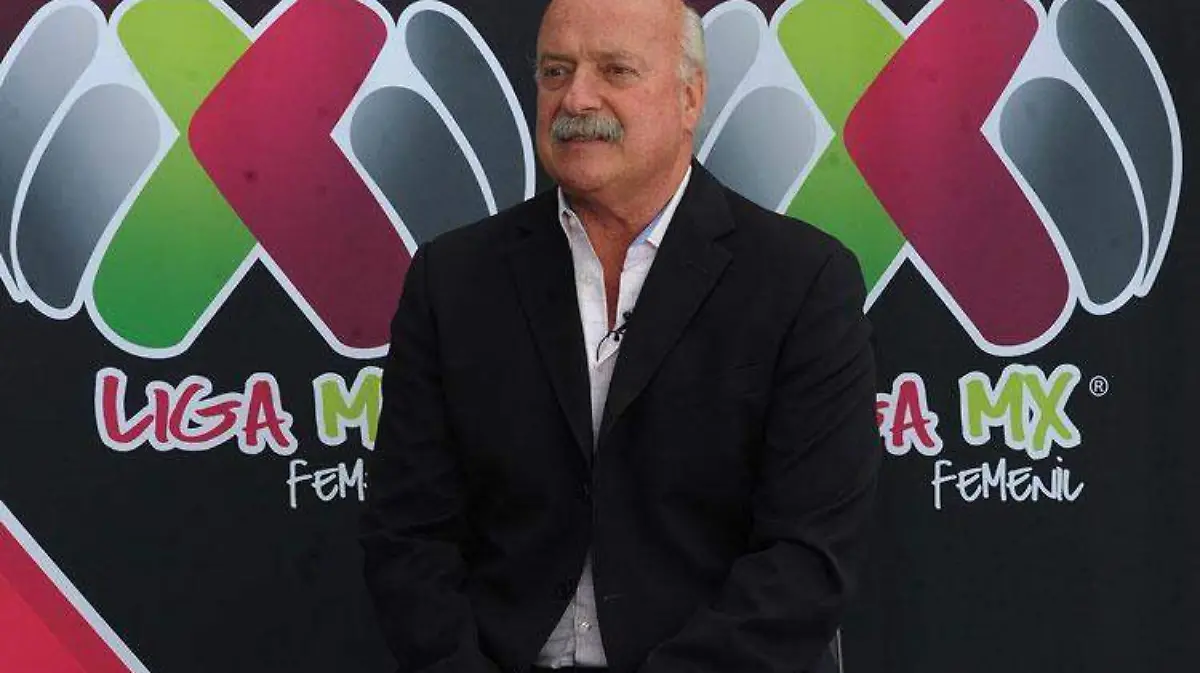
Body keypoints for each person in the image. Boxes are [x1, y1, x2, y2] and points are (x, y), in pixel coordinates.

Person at [360, 0, 881, 671]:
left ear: (689, 97)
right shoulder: (452, 279)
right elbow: (408, 538)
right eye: (556, 71)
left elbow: (806, 560)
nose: (576, 98)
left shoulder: (802, 282)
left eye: (615, 70)